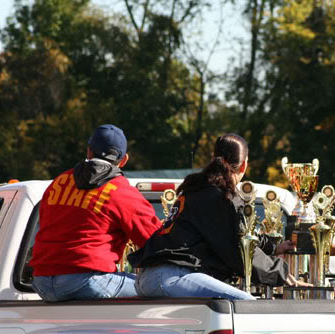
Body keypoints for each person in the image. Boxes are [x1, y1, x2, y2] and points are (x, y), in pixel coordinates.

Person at [128, 133, 305, 300]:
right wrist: (283, 274)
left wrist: (272, 247)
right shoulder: (217, 198)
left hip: (149, 276)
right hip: (171, 276)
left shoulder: (198, 190)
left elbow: (240, 235)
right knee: (246, 304)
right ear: (244, 165)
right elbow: (238, 251)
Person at [30, 124, 162, 302]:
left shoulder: (58, 182)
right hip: (87, 280)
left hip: (41, 283)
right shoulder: (121, 191)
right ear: (123, 160)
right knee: (156, 288)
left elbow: (44, 225)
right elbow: (155, 241)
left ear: (89, 152)